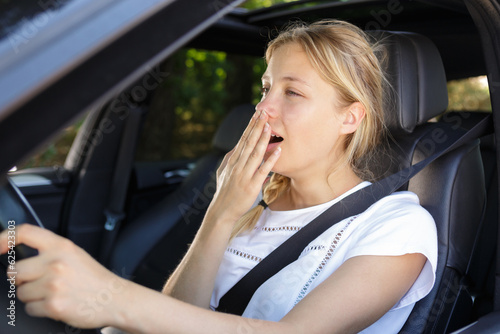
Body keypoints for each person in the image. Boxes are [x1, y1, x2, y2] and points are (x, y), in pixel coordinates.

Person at [0, 20, 437, 333]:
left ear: (350, 118)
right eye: (266, 89)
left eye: (293, 92)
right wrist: (221, 213)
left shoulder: (397, 226)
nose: (262, 109)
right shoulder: (253, 201)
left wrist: (109, 296)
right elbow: (176, 318)